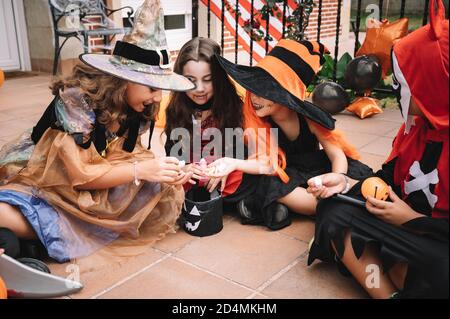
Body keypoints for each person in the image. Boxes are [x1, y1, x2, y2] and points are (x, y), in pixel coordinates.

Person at [0, 0, 195, 263]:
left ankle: (30, 241)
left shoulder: (138, 104)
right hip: (46, 173)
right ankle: (31, 233)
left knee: (154, 189)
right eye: (151, 87)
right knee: (41, 214)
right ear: (124, 79)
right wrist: (141, 171)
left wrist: (166, 169)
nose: (158, 97)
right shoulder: (76, 102)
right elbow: (80, 176)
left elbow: (130, 152)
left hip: (93, 168)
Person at [306, 0, 449, 299]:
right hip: (402, 229)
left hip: (435, 243)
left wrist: (411, 220)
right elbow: (386, 180)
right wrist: (346, 184)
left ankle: (386, 264)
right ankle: (388, 292)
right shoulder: (413, 129)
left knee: (439, 269)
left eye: (406, 81)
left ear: (435, 83)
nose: (398, 89)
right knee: (334, 210)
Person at [210, 39, 372, 230]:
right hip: (281, 173)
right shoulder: (255, 121)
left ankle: (325, 203)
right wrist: (233, 163)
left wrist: (337, 179)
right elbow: (267, 165)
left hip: (314, 169)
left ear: (283, 93)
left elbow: (336, 154)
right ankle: (328, 207)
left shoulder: (309, 119)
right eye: (253, 90)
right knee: (268, 183)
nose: (255, 98)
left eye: (263, 92)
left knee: (358, 176)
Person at [164, 37, 258, 207]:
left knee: (251, 178)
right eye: (191, 80)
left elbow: (242, 149)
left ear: (218, 78)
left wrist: (224, 168)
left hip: (225, 171)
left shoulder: (233, 106)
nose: (199, 88)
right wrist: (183, 168)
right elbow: (172, 151)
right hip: (193, 173)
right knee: (167, 184)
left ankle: (243, 203)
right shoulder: (176, 108)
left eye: (207, 79)